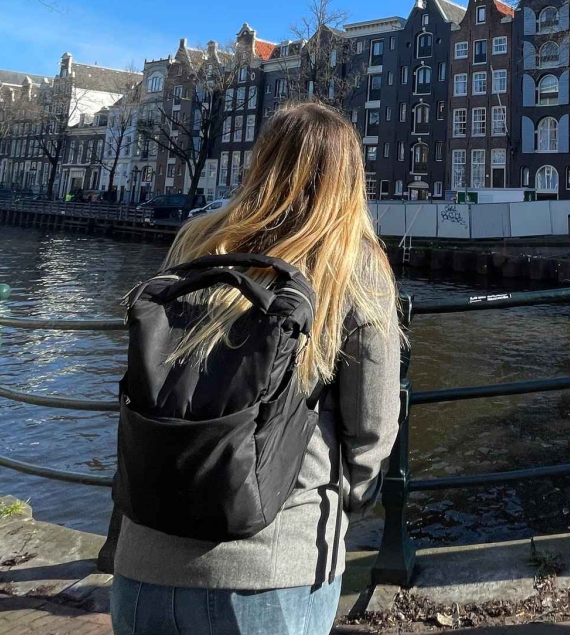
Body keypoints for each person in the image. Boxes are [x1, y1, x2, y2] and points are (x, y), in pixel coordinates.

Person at [110, 101, 402, 635]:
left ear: (262, 164)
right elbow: (373, 425)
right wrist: (351, 501)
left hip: (144, 559)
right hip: (272, 567)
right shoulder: (352, 263)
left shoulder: (197, 240)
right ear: (350, 179)